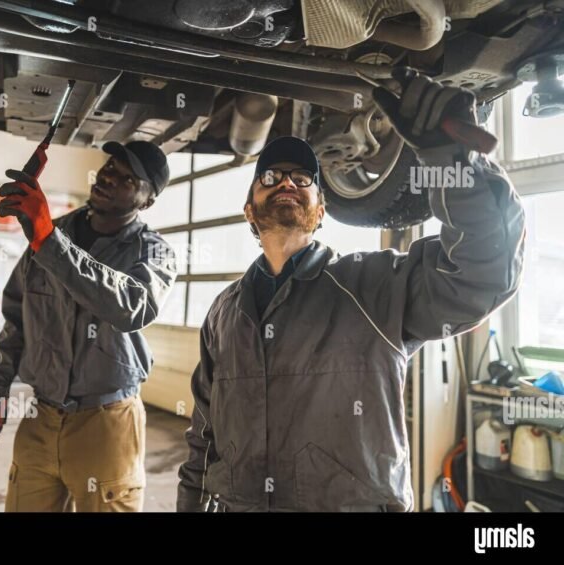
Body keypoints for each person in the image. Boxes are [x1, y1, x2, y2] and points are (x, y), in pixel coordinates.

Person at [176, 68, 525, 512]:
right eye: (271, 177)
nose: (287, 182)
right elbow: (203, 428)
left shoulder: (375, 284)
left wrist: (449, 160)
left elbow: (482, 275)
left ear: (321, 211)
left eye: (303, 179)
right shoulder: (224, 312)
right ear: (249, 210)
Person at [0, 140, 177, 512]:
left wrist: (49, 241)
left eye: (128, 177)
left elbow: (133, 306)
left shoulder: (154, 251)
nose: (110, 177)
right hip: (41, 417)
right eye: (111, 166)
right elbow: (17, 315)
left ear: (147, 201)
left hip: (108, 424)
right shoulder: (50, 233)